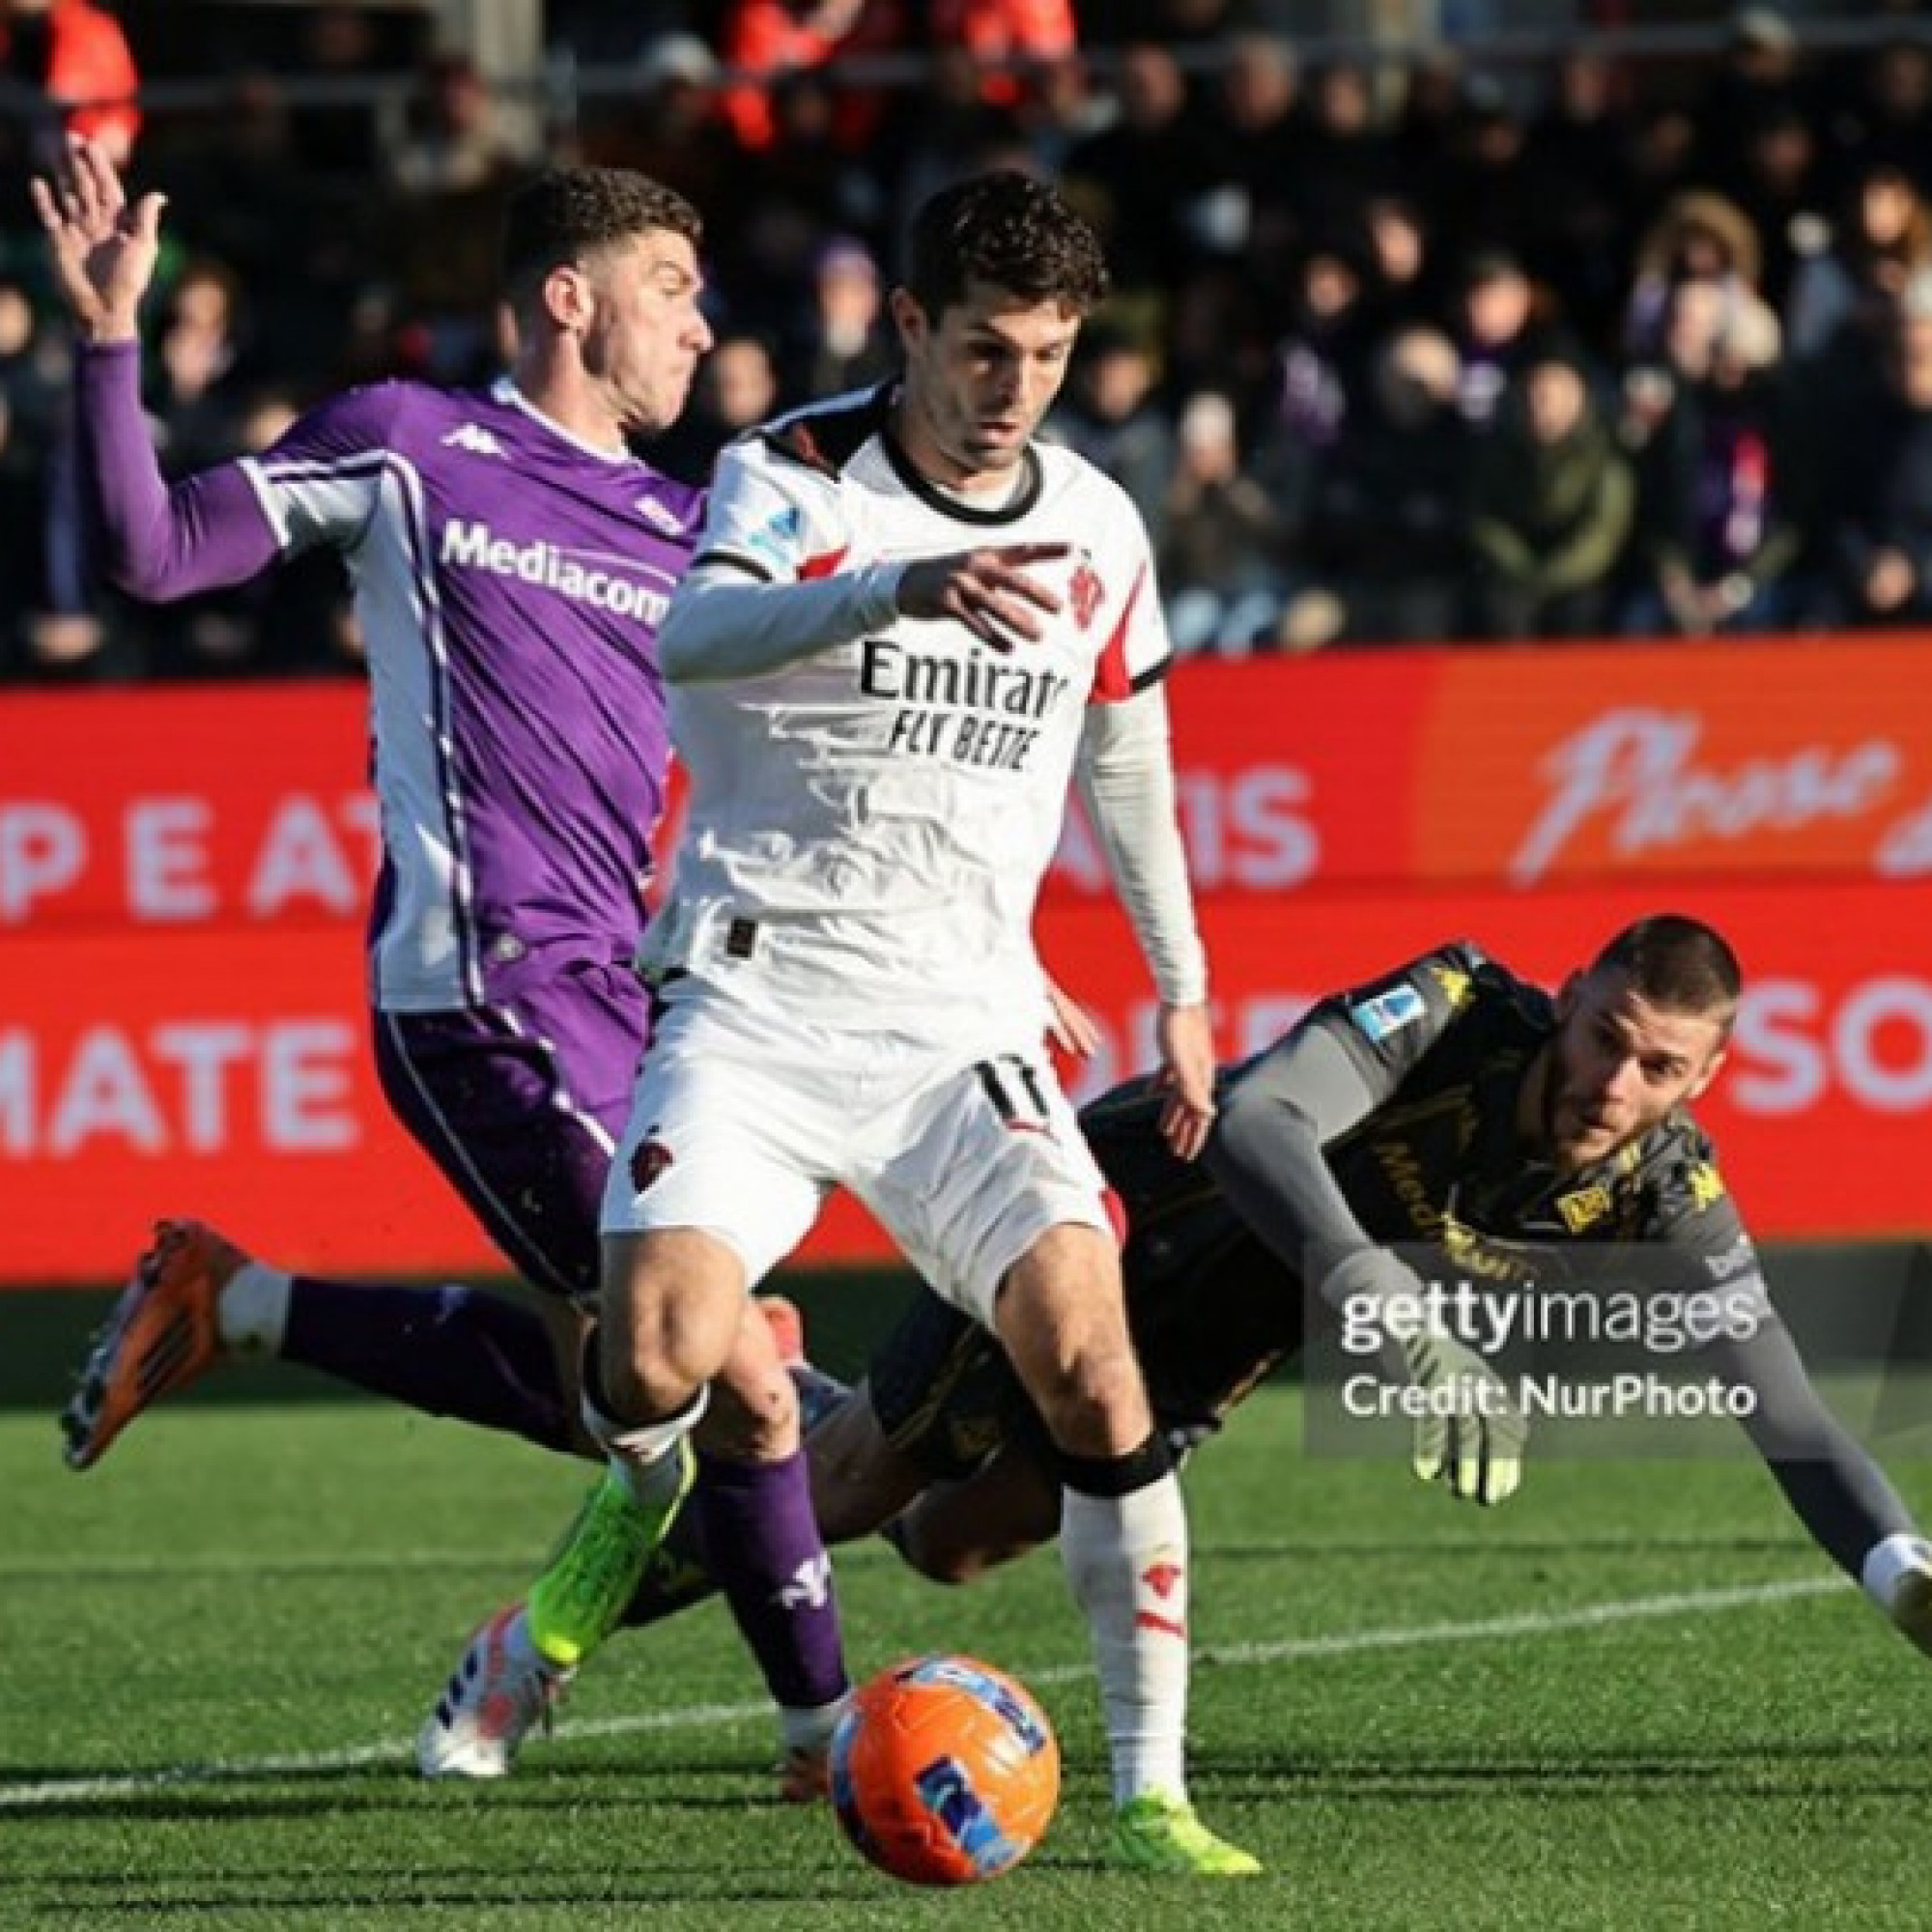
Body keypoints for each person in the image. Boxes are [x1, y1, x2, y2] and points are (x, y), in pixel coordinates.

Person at [453, 169, 1257, 1879]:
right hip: (755, 1001)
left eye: (1049, 354)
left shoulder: (1100, 526)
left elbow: (1128, 762)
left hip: (959, 1024)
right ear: (909, 327)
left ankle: (1154, 1794)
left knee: (1092, 1362)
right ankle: (635, 1500)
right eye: (984, 348)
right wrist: (898, 591)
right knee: (654, 1360)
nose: (1015, 387)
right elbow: (696, 635)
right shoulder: (795, 474)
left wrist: (1182, 989)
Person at [35, 139, 853, 1794]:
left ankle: (240, 1303)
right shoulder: (412, 445)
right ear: (569, 300)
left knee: (640, 1395)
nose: (701, 328)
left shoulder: (691, 529)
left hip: (626, 1001)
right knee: (743, 1384)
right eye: (670, 291)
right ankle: (820, 1735)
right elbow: (154, 554)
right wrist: (110, 341)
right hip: (479, 993)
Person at [450, 916, 1932, 1747]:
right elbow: (1259, 1122)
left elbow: (1788, 1412)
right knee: (846, 1490)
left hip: (1222, 1333)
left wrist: (1897, 1571)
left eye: (1658, 1067)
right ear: (1575, 998)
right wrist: (1380, 1289)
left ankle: (779, 1391)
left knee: (953, 1544)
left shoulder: (1669, 1196)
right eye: (1605, 1033)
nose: (1614, 1081)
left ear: (1702, 1082)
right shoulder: (1460, 1007)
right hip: (1108, 1222)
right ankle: (544, 1639)